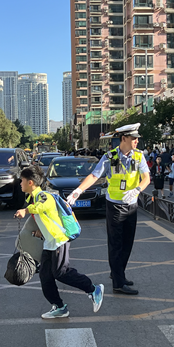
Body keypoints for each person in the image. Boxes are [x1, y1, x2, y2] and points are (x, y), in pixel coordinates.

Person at [66, 123, 151, 295]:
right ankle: (118, 284)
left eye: (137, 138)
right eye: (133, 138)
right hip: (115, 206)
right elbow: (94, 176)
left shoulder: (139, 157)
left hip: (131, 205)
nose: (136, 141)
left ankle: (118, 273)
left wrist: (137, 190)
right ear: (124, 138)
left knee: (127, 244)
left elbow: (146, 178)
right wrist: (78, 191)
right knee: (115, 245)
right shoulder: (110, 157)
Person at [14, 166, 104, 319]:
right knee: (45, 276)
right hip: (49, 243)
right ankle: (59, 307)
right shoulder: (34, 198)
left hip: (58, 241)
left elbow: (42, 207)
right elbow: (48, 218)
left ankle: (93, 289)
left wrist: (26, 210)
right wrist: (39, 232)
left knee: (60, 272)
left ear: (30, 182)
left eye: (21, 181)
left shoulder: (43, 196)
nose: (19, 183)